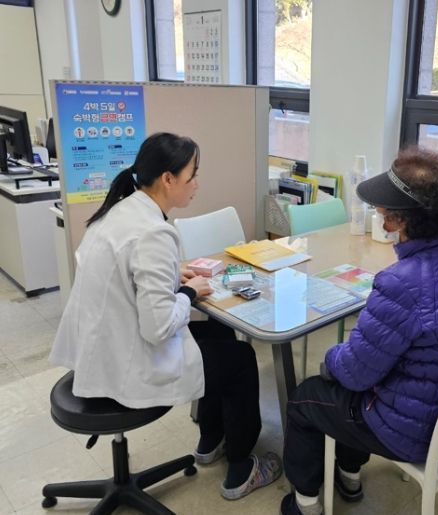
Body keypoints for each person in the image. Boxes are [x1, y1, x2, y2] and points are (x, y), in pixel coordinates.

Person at [49, 132, 281, 500]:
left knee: (219, 335)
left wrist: (172, 276)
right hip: (128, 364)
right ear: (168, 179)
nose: (197, 184)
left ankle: (211, 439)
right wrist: (188, 292)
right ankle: (241, 469)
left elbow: (125, 280)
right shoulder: (153, 233)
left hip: (103, 348)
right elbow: (157, 328)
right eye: (192, 176)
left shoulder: (118, 212)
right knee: (240, 359)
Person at [280, 147, 438, 515]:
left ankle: (306, 504)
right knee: (357, 383)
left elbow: (355, 372)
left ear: (395, 221)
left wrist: (330, 358)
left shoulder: (401, 282)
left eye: (383, 210)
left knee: (306, 397)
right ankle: (349, 476)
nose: (379, 213)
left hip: (413, 429)